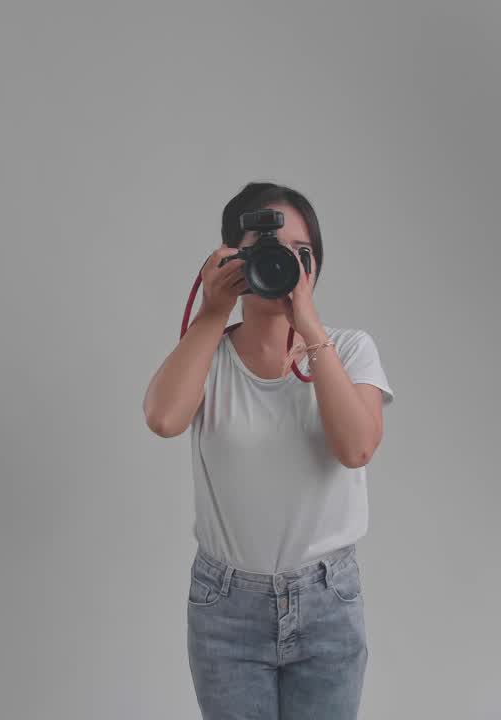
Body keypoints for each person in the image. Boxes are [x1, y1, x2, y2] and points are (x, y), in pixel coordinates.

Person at [143, 182, 394, 719]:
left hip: (328, 601)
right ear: (231, 258)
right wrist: (211, 313)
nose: (281, 261)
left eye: (297, 252)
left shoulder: (350, 349)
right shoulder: (209, 355)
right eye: (264, 247)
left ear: (315, 264)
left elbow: (356, 448)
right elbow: (163, 419)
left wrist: (307, 321)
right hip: (226, 607)